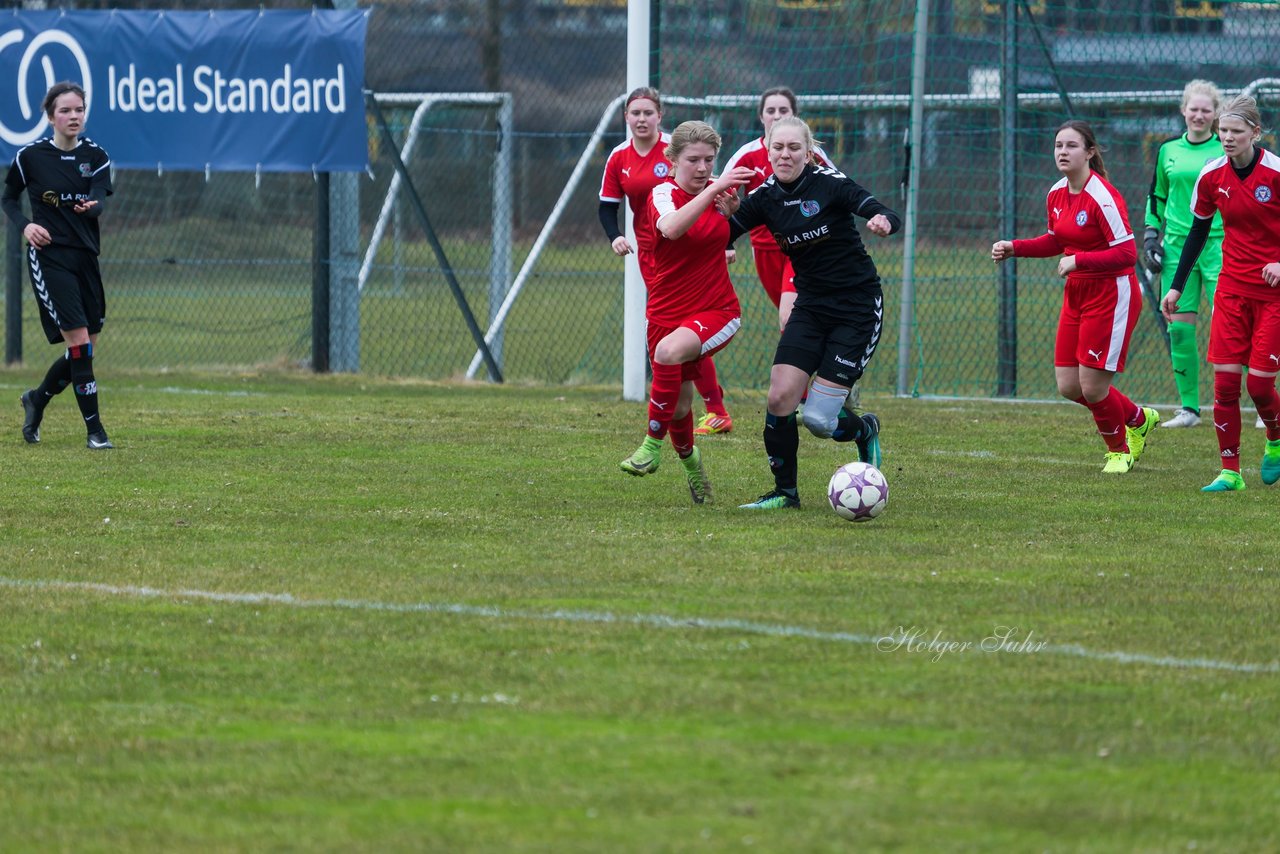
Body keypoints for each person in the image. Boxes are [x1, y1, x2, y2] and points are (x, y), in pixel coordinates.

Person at [726, 116, 896, 510]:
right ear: (767, 150)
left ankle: (865, 428)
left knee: (820, 421)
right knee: (780, 397)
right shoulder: (765, 196)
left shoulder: (829, 183)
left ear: (809, 151)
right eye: (777, 148)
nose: (785, 155)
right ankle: (785, 493)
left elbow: (874, 206)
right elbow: (724, 230)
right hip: (811, 306)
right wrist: (727, 218)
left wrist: (882, 220)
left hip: (856, 308)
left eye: (793, 148)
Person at [992, 120, 1159, 474]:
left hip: (1112, 294)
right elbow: (1056, 239)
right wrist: (1014, 247)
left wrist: (1078, 259)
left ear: (1090, 152)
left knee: (1094, 387)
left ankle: (1119, 451)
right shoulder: (1056, 193)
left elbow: (1128, 254)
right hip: (1078, 293)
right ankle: (1137, 418)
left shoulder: (1102, 195)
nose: (1063, 152)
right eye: (1058, 146)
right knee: (1069, 386)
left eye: (1071, 146)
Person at [617, 121, 753, 503]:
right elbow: (673, 229)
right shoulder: (662, 193)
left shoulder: (717, 196)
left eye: (710, 160)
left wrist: (732, 212)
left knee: (668, 353)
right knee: (678, 405)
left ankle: (649, 448)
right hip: (664, 312)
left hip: (717, 309)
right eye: (693, 159)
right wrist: (714, 192)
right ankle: (694, 470)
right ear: (672, 160)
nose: (702, 167)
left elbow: (724, 235)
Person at [1160, 94, 1280, 492]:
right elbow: (1196, 232)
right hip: (1231, 290)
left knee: (1260, 385)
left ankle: (1276, 442)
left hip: (1272, 294)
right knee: (1225, 384)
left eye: (1235, 131)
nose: (1226, 138)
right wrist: (1176, 287)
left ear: (1255, 133)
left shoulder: (1275, 173)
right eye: (1222, 131)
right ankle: (1230, 472)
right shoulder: (1212, 176)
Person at [598, 88, 733, 436]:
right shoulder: (619, 157)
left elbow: (713, 207)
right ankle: (686, 417)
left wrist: (724, 241)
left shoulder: (682, 150)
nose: (641, 119)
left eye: (648, 112)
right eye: (635, 113)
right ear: (626, 117)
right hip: (650, 252)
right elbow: (607, 205)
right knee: (675, 334)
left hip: (683, 249)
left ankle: (714, 411)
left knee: (686, 330)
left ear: (660, 116)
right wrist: (615, 235)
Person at [718, 87, 852, 427]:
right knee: (799, 323)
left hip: (803, 248)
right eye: (771, 110)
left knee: (788, 316)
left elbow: (841, 188)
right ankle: (831, 383)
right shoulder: (747, 156)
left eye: (783, 110)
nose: (776, 116)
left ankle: (812, 394)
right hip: (765, 252)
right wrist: (727, 242)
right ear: (761, 116)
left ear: (794, 116)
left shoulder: (809, 155)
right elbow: (722, 195)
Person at [3, 81, 114, 450]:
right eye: (65, 110)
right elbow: (8, 200)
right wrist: (27, 226)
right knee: (80, 345)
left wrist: (91, 207)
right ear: (51, 116)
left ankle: (36, 399)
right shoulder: (30, 157)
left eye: (79, 109)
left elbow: (99, 198)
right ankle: (96, 432)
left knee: (84, 349)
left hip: (86, 257)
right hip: (50, 259)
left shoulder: (96, 156)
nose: (73, 116)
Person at [1144, 80, 1225, 429]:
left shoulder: (1227, 148)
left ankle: (1255, 401)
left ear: (1215, 114)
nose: (1199, 114)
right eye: (1194, 108)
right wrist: (1150, 236)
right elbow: (1157, 197)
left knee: (1234, 323)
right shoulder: (1167, 151)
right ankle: (1189, 408)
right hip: (1178, 247)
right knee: (1178, 328)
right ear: (1183, 110)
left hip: (1220, 244)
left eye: (1206, 109)